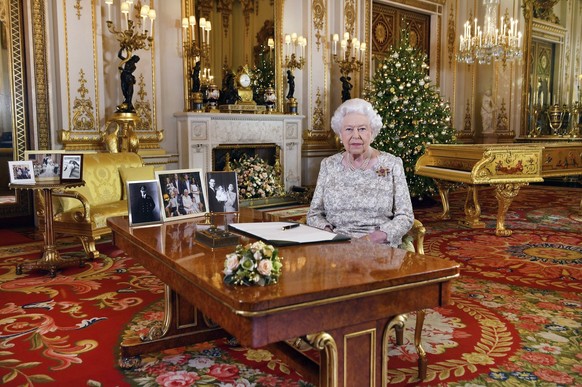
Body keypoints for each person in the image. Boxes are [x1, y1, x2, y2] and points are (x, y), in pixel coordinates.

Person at [306, 98, 414, 247]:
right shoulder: (328, 165)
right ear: (340, 134)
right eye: (349, 129)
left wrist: (374, 238)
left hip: (379, 246)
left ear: (372, 132)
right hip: (336, 245)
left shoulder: (392, 164)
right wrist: (329, 233)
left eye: (362, 129)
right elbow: (314, 214)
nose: (355, 136)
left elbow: (405, 216)